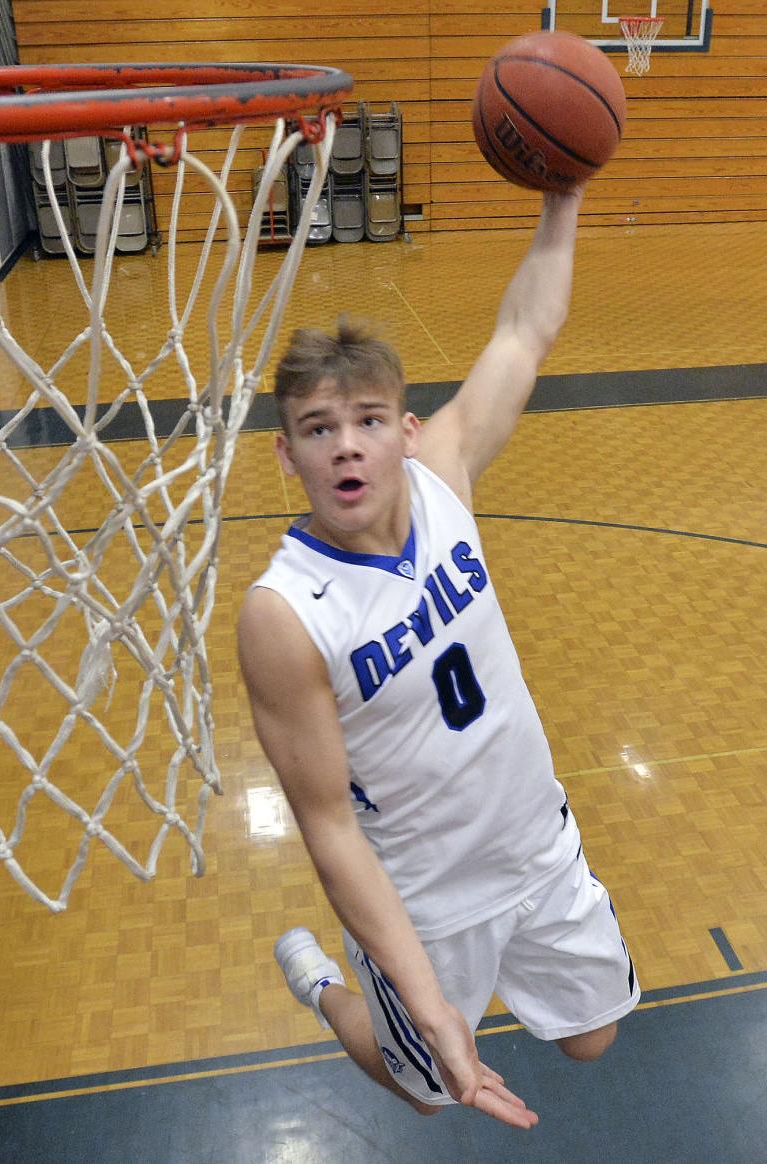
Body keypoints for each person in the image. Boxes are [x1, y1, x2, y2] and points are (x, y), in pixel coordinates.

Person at [237, 187, 637, 1129]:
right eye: (317, 428)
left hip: (533, 841)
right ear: (285, 455)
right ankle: (329, 990)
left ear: (406, 432)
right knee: (424, 1093)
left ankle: (408, 1006)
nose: (348, 447)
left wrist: (565, 195)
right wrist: (426, 1007)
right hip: (424, 898)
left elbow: (524, 332)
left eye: (369, 420)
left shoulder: (443, 476)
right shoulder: (284, 615)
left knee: (592, 1038)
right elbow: (328, 827)